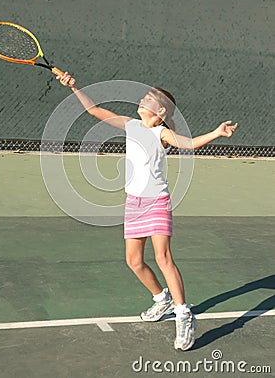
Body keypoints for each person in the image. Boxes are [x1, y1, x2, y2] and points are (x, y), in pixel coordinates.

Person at [56, 72, 238, 351]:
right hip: (134, 203)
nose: (141, 100)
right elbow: (94, 110)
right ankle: (160, 298)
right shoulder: (131, 125)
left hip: (157, 201)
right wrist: (75, 87)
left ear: (161, 111)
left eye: (148, 99)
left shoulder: (160, 133)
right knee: (133, 261)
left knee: (163, 257)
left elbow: (187, 144)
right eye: (143, 97)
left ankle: (184, 315)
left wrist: (216, 132)